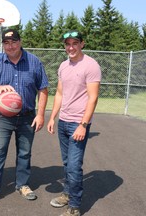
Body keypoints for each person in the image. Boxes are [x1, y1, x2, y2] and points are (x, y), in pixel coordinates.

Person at [0, 29, 49, 207]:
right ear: (3, 44)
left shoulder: (34, 62)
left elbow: (43, 89)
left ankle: (23, 185)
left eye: (13, 42)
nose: (10, 46)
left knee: (25, 153)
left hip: (27, 117)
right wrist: (0, 88)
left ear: (20, 42)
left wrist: (41, 114)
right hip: (3, 117)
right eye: (6, 43)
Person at [47, 30, 101, 216]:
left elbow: (93, 98)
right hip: (63, 121)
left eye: (75, 43)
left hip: (79, 124)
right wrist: (53, 117)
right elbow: (60, 93)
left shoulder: (91, 65)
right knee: (67, 162)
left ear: (82, 44)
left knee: (74, 166)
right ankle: (68, 194)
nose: (71, 47)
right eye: (67, 44)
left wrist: (83, 125)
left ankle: (75, 207)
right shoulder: (63, 66)